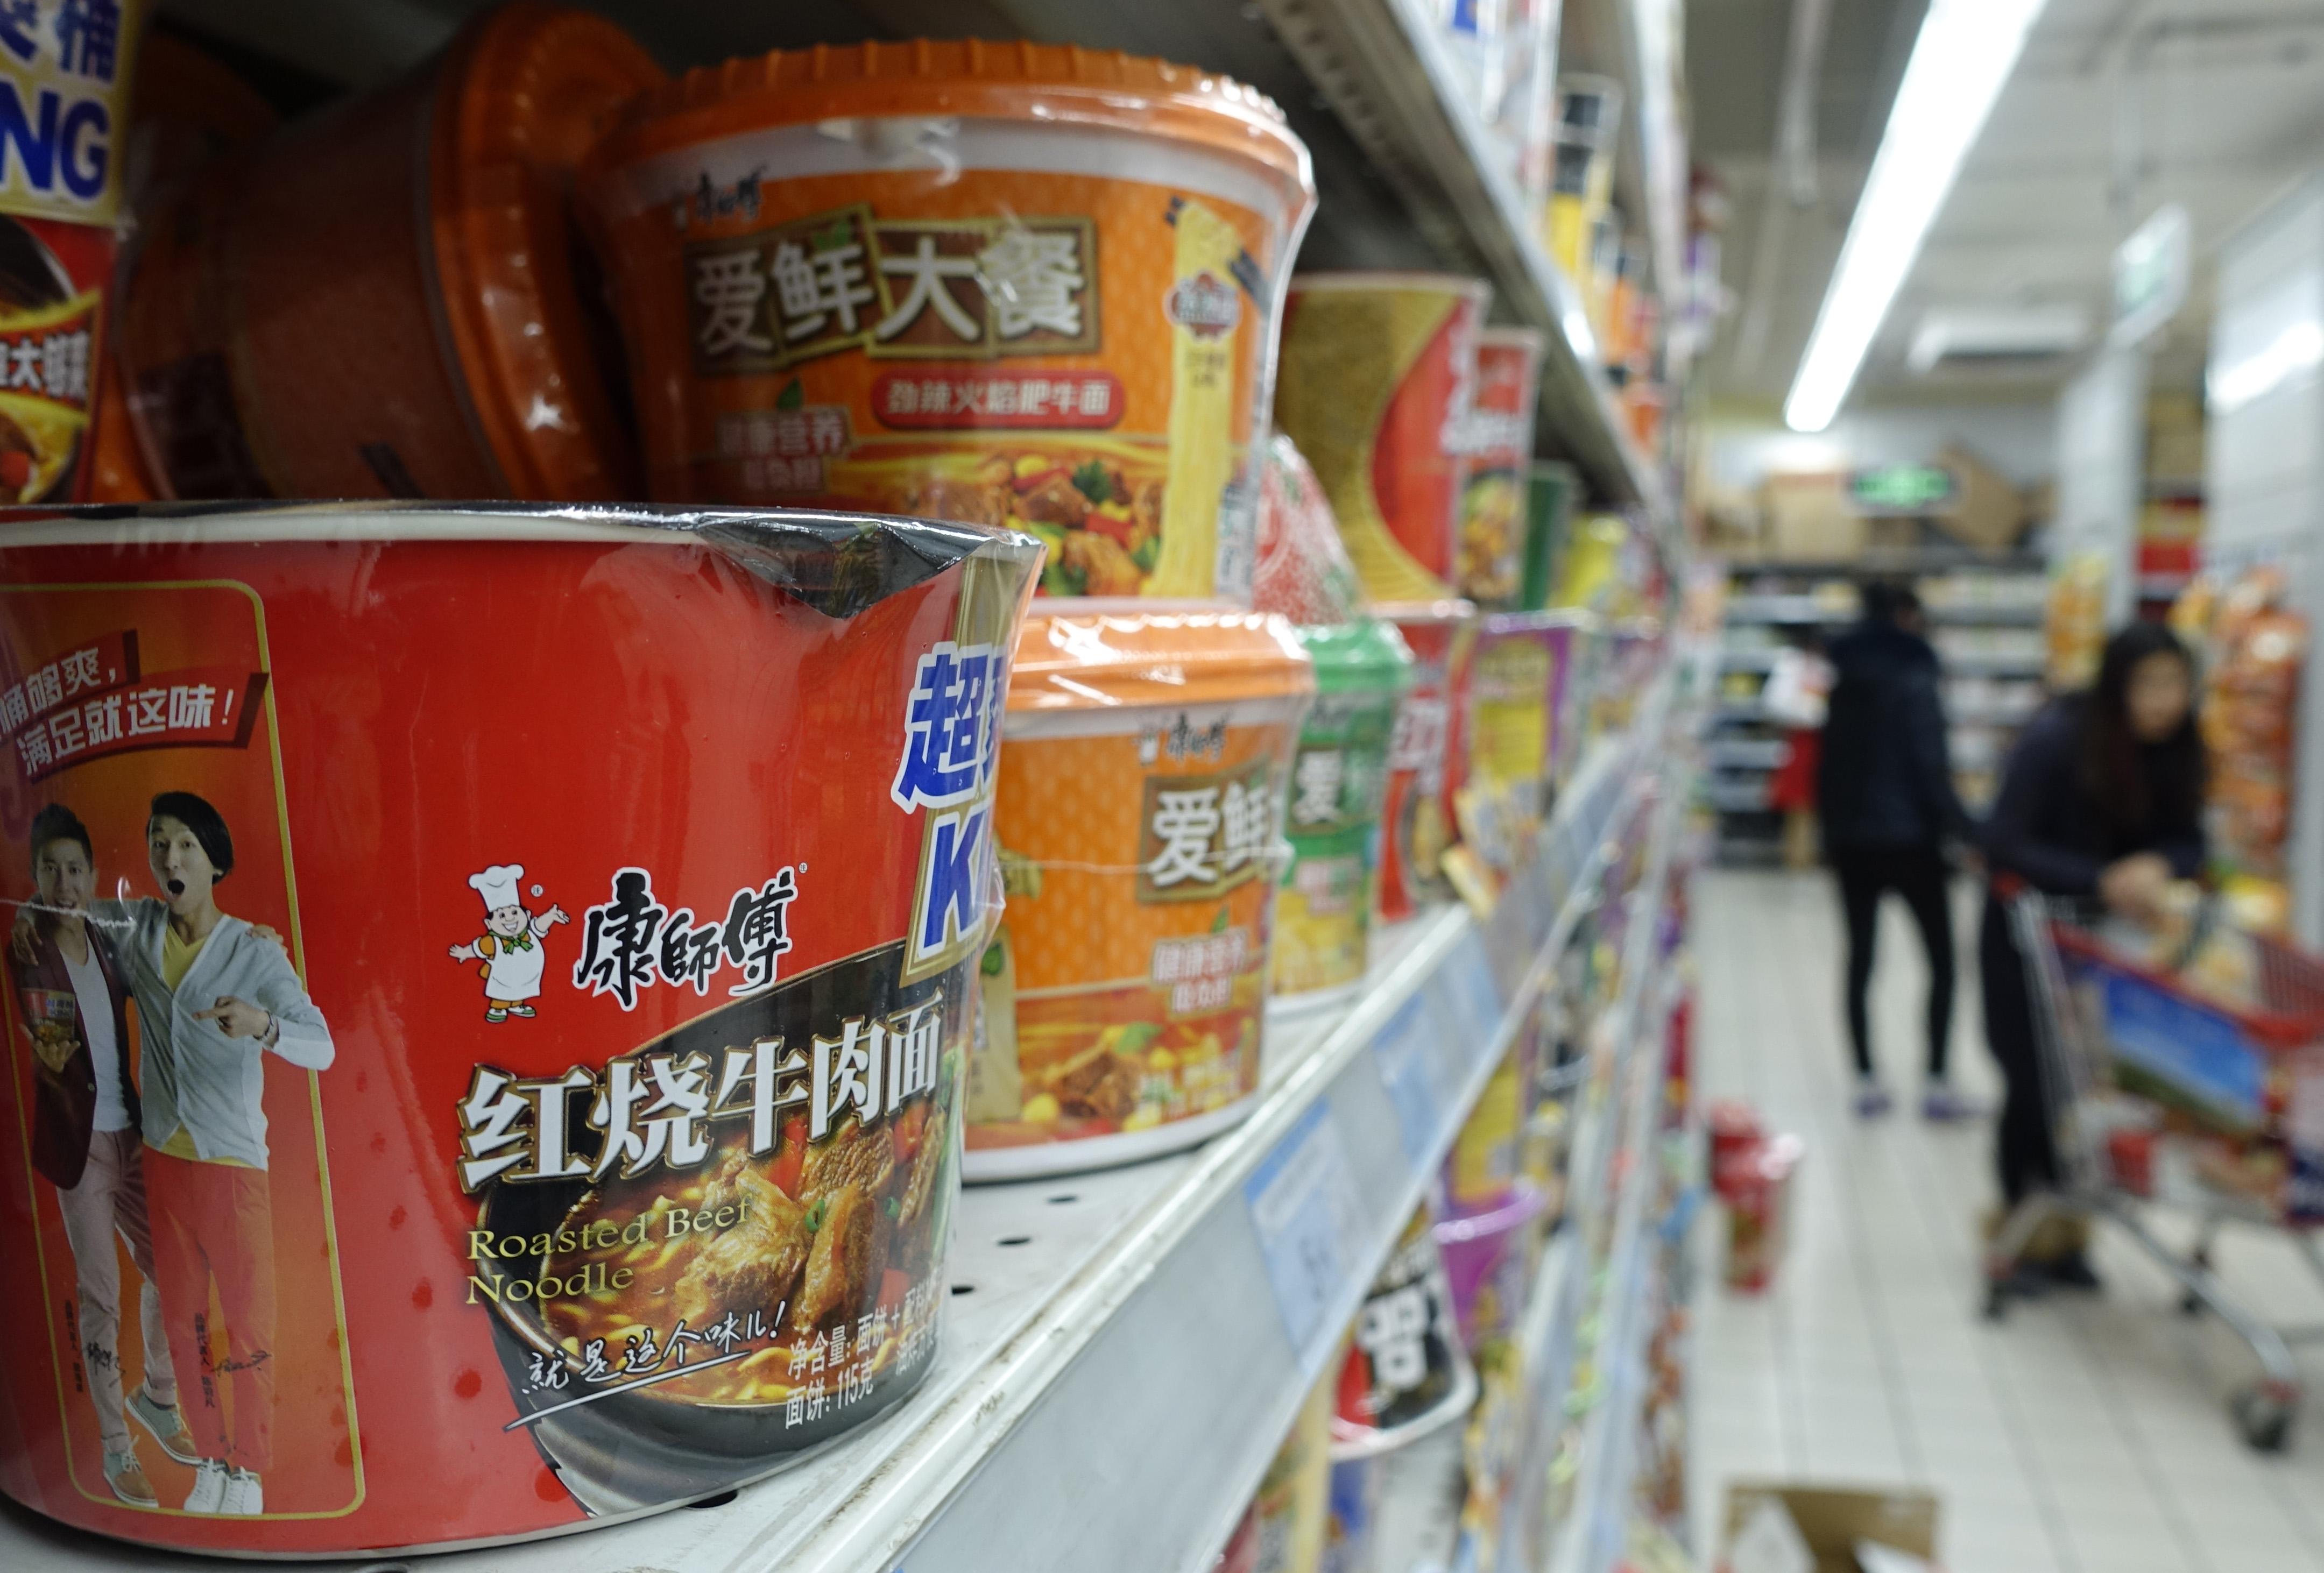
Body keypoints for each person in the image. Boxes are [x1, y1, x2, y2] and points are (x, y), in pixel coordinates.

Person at [89, 792, 335, 1515]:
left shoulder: (253, 950)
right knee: (184, 1320)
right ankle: (210, 1459)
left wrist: (262, 1024)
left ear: (214, 862)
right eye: (159, 841)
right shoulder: (136, 929)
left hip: (232, 1163)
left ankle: (248, 1468)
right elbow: (58, 910)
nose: (170, 856)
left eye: (187, 845)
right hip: (162, 1160)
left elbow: (321, 1046)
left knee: (249, 1320)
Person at [1982, 622, 2205, 1286]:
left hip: (2103, 948)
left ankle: (2063, 1234)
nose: (2163, 700)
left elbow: (2190, 839)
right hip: (2024, 936)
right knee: (2032, 1082)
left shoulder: (2177, 749)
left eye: (2175, 683)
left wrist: (2158, 863)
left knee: (2075, 1088)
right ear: (2115, 685)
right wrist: (2098, 878)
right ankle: (2019, 1229)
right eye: (2147, 683)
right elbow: (2003, 841)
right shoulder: (2057, 738)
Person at [4, 805, 198, 1505]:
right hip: (78, 1144)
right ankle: (117, 1448)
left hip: (131, 1134)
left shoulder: (106, 938)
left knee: (171, 1266)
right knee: (100, 1296)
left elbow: (166, 939)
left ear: (91, 875)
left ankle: (159, 1397)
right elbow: (39, 1020)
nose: (64, 882)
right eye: (50, 870)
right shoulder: (28, 945)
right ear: (35, 877)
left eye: (75, 868)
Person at [1817, 583, 1977, 1119]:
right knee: (1940, 963)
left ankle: (1865, 1079)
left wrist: (1830, 834)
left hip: (1852, 840)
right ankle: (1935, 1080)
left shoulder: (1842, 672)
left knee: (1860, 959)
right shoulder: (1917, 669)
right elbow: (1929, 761)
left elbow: (1829, 762)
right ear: (1907, 615)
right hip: (1913, 842)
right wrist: (1965, 829)